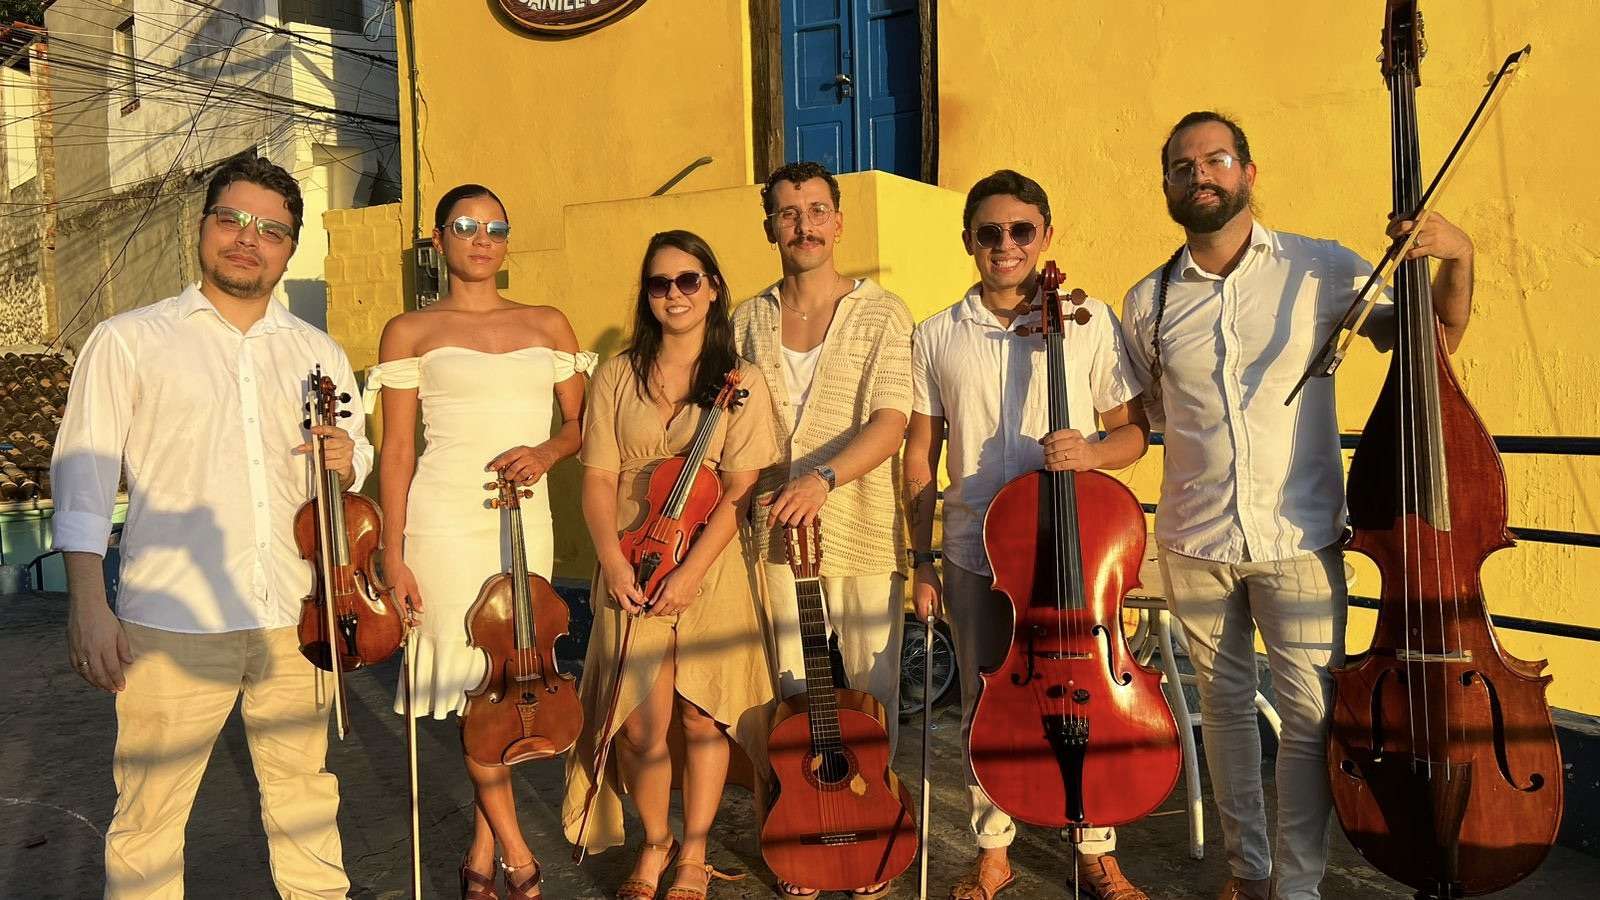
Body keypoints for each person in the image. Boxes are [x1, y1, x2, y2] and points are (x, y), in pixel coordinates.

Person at [1118, 110, 1476, 900]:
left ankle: (1300, 887)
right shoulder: (1147, 299)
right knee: (1225, 718)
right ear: (1169, 186)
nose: (1199, 175)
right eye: (1183, 166)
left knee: (1310, 723)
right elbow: (1141, 416)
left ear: (1248, 171)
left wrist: (1457, 254)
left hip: (1302, 538)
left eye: (1215, 160)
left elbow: (1437, 337)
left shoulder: (1323, 269)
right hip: (1192, 540)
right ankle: (1248, 874)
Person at [54, 155, 369, 898]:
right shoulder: (129, 339)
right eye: (231, 220)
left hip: (296, 615)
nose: (247, 240)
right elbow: (83, 476)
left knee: (307, 804)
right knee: (150, 818)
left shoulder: (317, 352)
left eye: (270, 230)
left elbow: (353, 469)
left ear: (289, 248)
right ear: (203, 228)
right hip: (171, 620)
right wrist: (87, 605)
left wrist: (347, 460)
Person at [904, 170, 1153, 900]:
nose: (1006, 245)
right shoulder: (937, 334)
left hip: (1076, 551)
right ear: (969, 243)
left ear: (1047, 235)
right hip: (976, 552)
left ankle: (1096, 846)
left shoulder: (1088, 320)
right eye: (990, 233)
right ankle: (992, 846)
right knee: (988, 700)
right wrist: (920, 556)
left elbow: (1134, 433)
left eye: (1021, 231)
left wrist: (1092, 454)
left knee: (1092, 695)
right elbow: (921, 453)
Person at [366, 183, 590, 899]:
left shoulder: (550, 322)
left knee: (514, 673)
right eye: (465, 225)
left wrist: (547, 455)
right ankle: (521, 862)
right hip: (443, 519)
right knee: (474, 686)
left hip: (526, 513)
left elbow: (581, 429)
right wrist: (392, 552)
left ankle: (478, 854)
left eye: (496, 225)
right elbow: (396, 451)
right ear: (439, 240)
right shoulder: (408, 331)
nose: (482, 237)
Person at [562, 230, 779, 900]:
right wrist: (610, 561)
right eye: (661, 284)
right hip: (630, 559)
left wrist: (689, 576)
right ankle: (652, 842)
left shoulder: (740, 381)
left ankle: (693, 852)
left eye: (689, 280)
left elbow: (740, 490)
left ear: (712, 287)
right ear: (647, 296)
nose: (675, 294)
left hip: (709, 565)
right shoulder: (617, 374)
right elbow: (597, 478)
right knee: (638, 723)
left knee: (702, 716)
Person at [730, 160, 915, 899]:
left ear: (838, 221)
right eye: (786, 212)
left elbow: (892, 419)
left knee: (869, 693)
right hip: (772, 534)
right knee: (786, 693)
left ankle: (869, 832)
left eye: (815, 209)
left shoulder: (882, 313)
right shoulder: (746, 318)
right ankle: (795, 836)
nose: (802, 224)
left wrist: (825, 478)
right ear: (769, 225)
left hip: (862, 526)